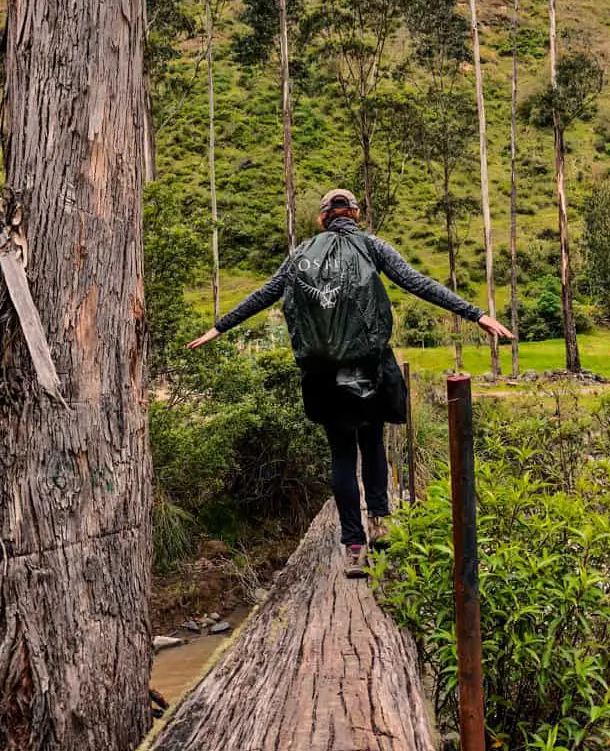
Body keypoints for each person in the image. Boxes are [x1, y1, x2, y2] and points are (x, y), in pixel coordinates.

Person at [187, 189, 513, 579]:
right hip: (369, 366)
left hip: (324, 374)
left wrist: (219, 327)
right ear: (356, 215)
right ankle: (380, 523)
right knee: (372, 441)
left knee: (342, 454)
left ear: (322, 218)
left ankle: (353, 547)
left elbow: (264, 294)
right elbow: (416, 282)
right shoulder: (372, 246)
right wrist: (476, 314)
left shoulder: (300, 255)